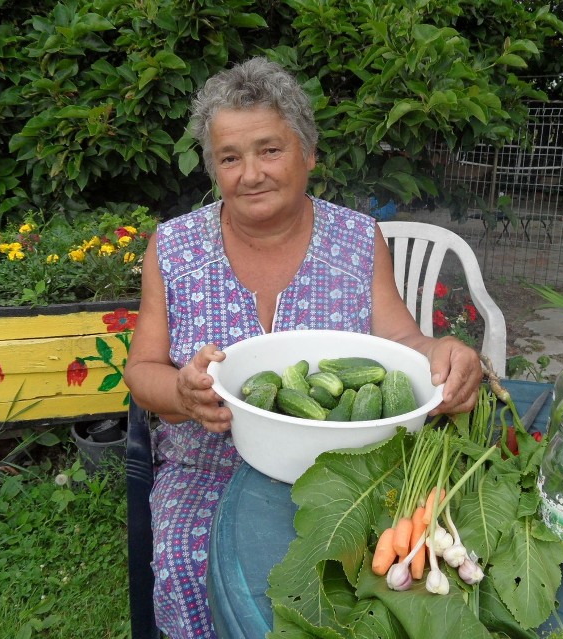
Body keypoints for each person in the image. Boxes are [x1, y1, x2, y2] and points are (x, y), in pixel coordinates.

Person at [124, 56, 483, 638]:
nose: (251, 174)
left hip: (348, 469)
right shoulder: (173, 248)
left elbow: (400, 340)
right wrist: (182, 393)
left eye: (269, 150)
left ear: (308, 153)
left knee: (365, 587)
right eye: (230, 158)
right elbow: (141, 370)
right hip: (207, 467)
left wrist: (443, 351)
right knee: (187, 564)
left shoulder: (357, 239)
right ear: (214, 169)